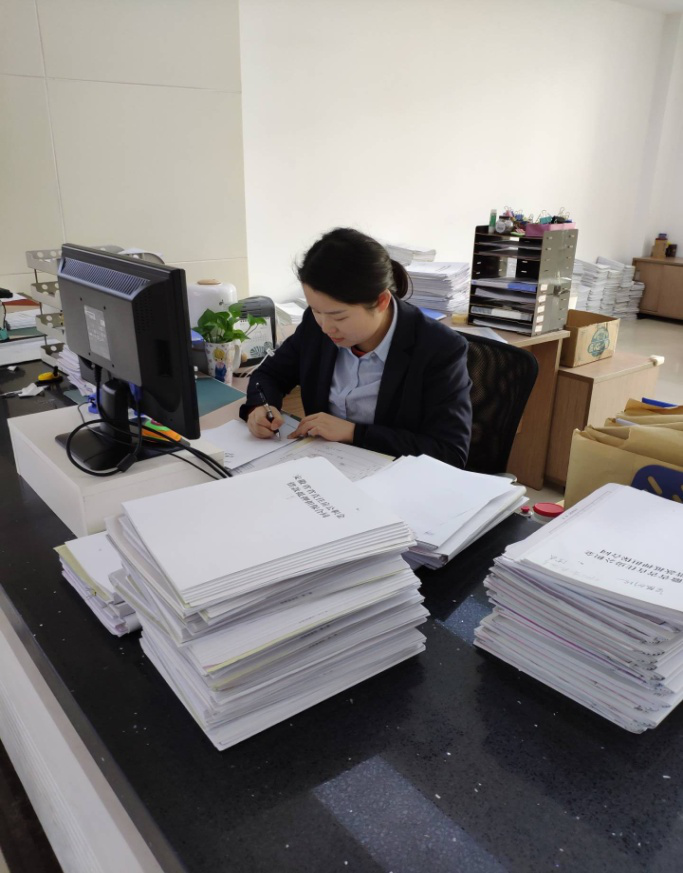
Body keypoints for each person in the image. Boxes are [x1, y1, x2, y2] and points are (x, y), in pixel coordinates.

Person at [240, 228, 472, 467]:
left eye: (339, 317)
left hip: (392, 477)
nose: (326, 327)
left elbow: (449, 452)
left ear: (381, 301)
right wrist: (260, 407)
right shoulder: (316, 324)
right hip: (322, 466)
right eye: (316, 311)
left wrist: (354, 433)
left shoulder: (439, 349)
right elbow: (270, 374)